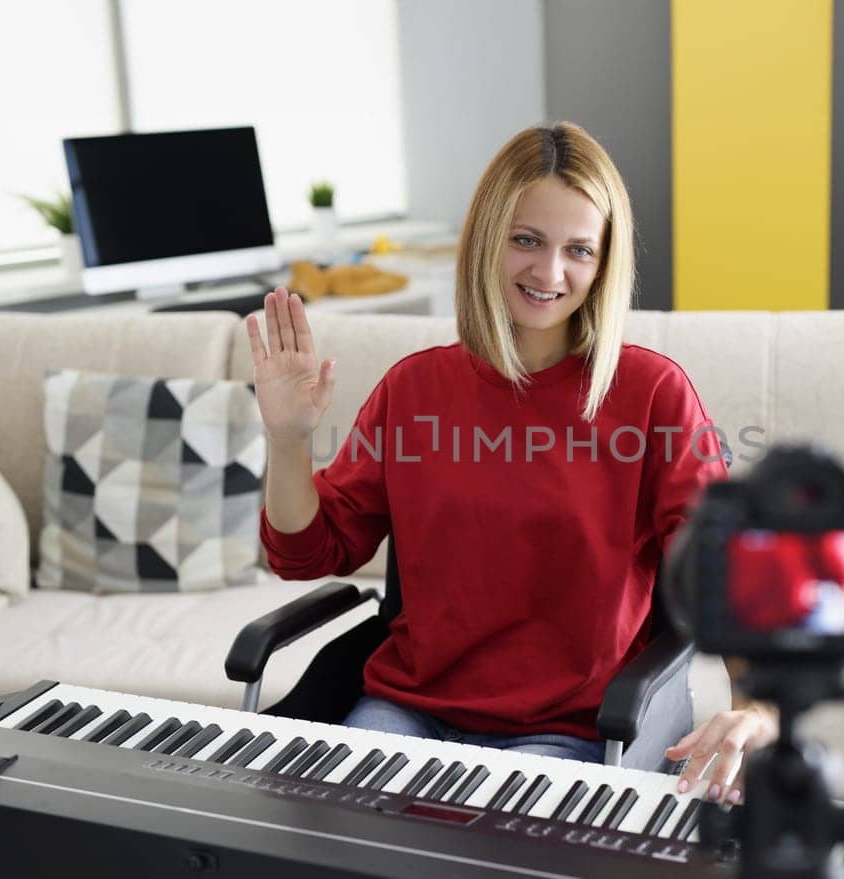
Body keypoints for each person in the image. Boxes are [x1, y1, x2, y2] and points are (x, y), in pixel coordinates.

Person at [248, 122, 776, 805]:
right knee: (337, 836)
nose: (550, 273)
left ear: (604, 262)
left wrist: (758, 709)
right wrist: (287, 439)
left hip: (575, 727)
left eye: (578, 250)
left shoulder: (653, 394)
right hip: (409, 711)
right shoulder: (414, 389)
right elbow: (306, 551)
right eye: (527, 239)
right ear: (487, 240)